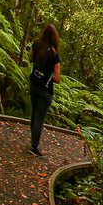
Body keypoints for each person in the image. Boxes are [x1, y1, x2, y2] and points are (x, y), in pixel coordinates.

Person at [27, 24, 61, 157]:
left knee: (34, 113)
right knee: (39, 118)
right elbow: (57, 78)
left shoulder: (36, 44)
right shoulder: (54, 54)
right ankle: (34, 147)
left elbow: (30, 58)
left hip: (33, 83)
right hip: (45, 90)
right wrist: (48, 75)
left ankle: (33, 142)